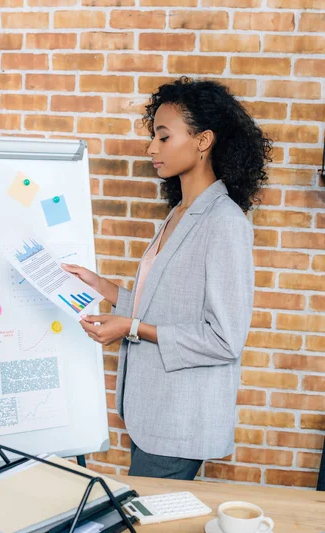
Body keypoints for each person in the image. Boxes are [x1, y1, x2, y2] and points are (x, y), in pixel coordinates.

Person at [63, 78, 272, 480]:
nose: (151, 149)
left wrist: (132, 328)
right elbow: (163, 303)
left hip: (180, 420)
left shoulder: (224, 221)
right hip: (152, 413)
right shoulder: (179, 213)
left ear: (203, 140)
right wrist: (100, 286)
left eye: (163, 136)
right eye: (152, 137)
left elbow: (225, 338)